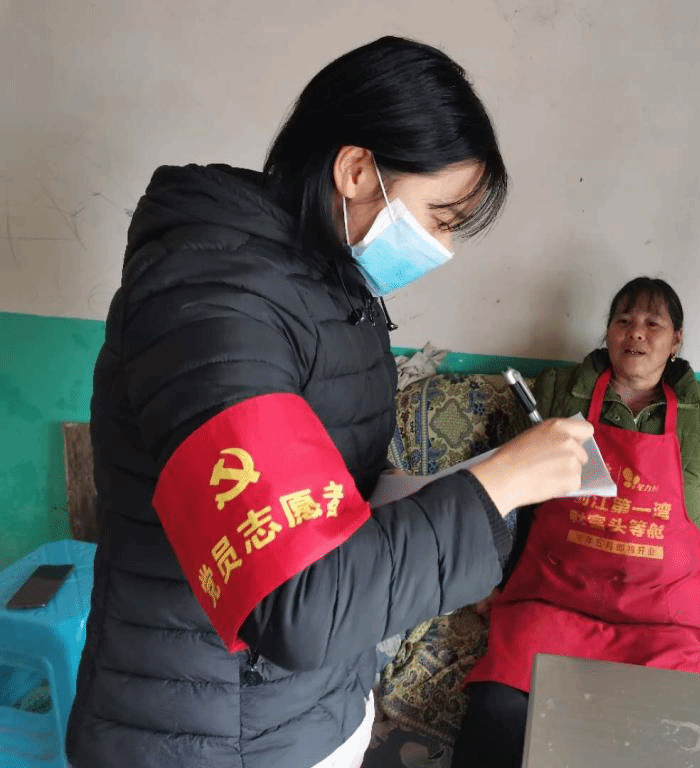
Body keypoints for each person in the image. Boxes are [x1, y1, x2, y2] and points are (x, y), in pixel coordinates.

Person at [65, 36, 594, 768]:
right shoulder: (219, 304)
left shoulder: (329, 289)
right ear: (356, 171)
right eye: (440, 216)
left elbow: (318, 498)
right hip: (207, 733)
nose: (443, 246)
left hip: (303, 711)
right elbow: (298, 603)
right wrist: (496, 483)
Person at [451, 277, 700, 768]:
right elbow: (507, 490)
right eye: (623, 320)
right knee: (499, 712)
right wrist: (486, 573)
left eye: (653, 323)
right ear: (608, 332)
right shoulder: (557, 391)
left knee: (659, 740)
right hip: (553, 599)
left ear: (676, 340)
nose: (635, 332)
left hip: (660, 620)